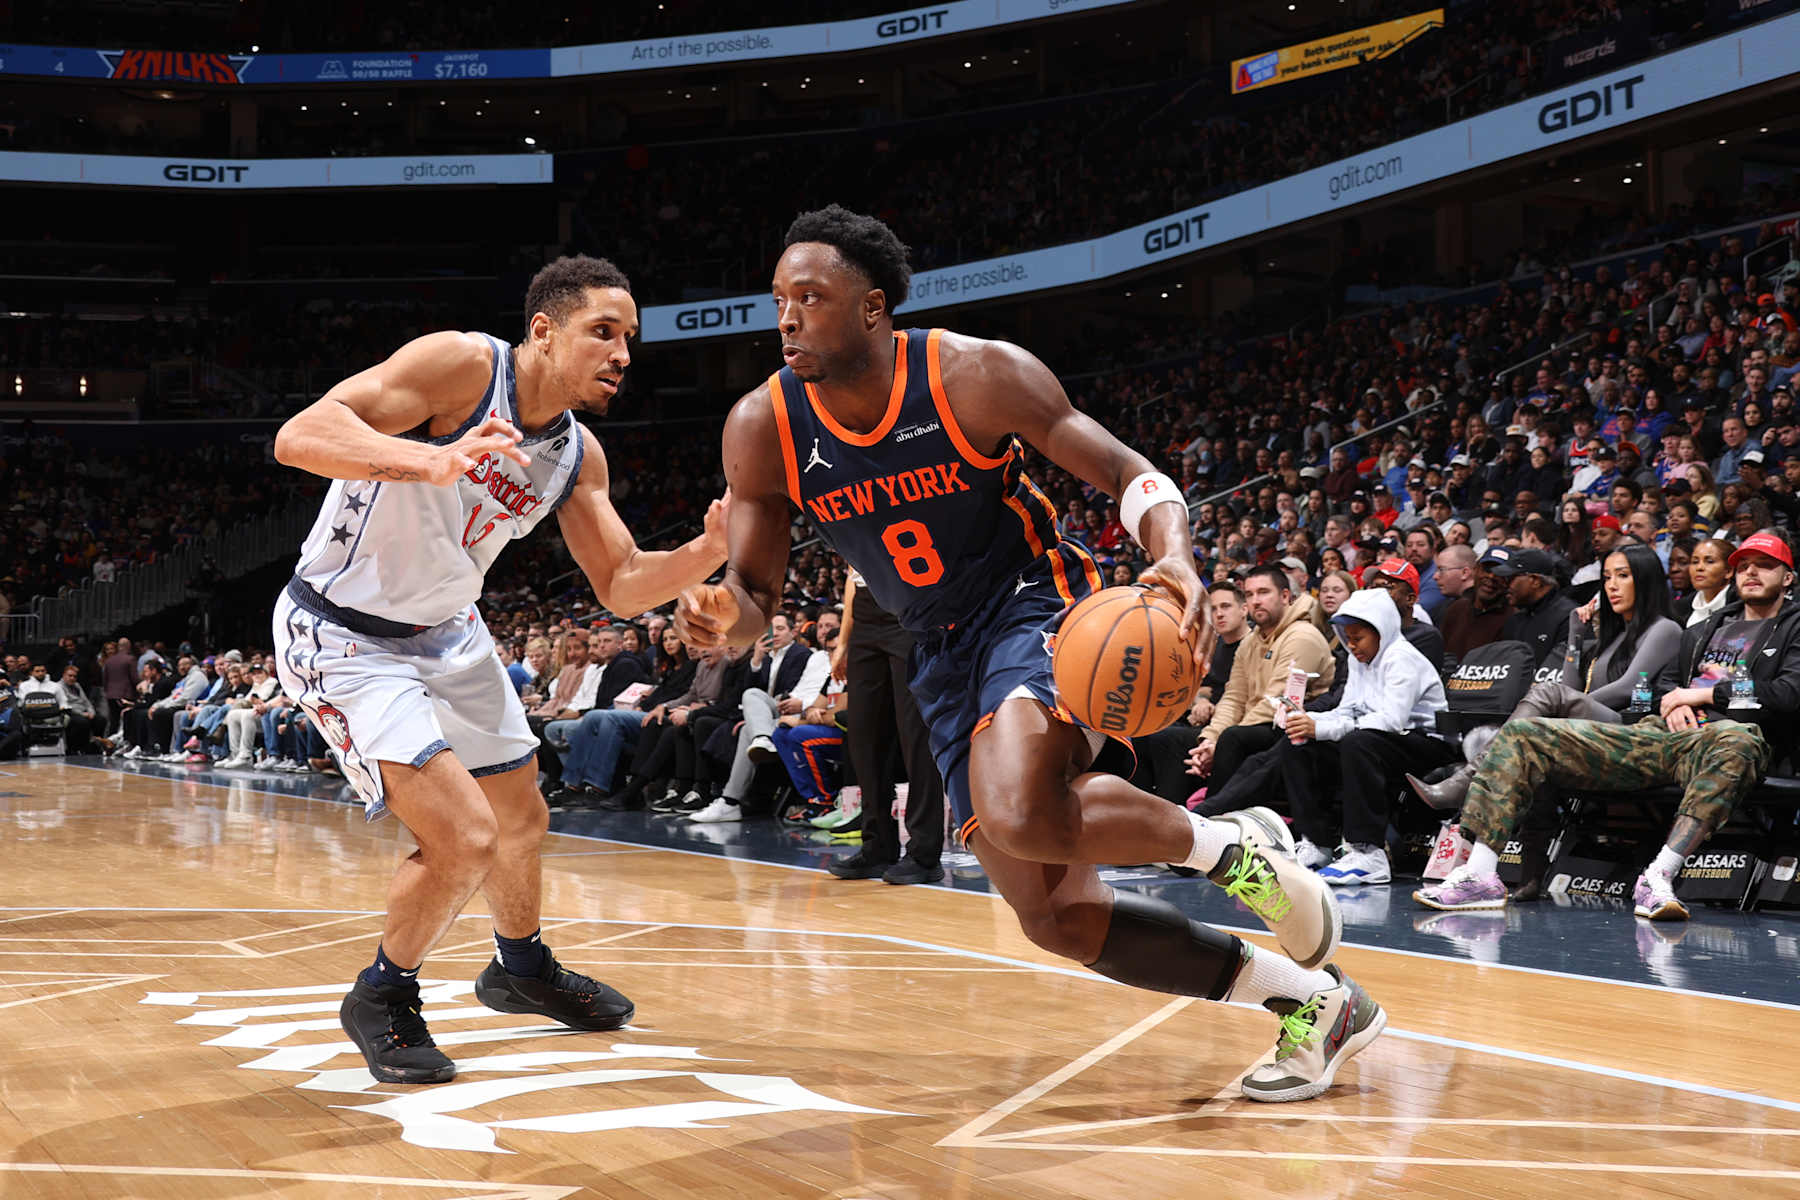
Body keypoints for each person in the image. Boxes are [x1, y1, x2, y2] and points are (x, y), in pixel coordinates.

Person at [676, 206, 1380, 1103]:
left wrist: (1173, 552)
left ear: (873, 308)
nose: (786, 316)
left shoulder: (973, 374)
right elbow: (754, 596)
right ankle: (1316, 1004)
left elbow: (1132, 474)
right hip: (935, 652)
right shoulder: (761, 426)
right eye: (779, 298)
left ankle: (1231, 845)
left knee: (1016, 808)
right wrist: (719, 620)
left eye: (809, 297)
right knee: (1057, 918)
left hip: (1030, 604)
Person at [270, 254, 730, 1085]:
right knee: (464, 838)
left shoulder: (574, 455)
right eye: (604, 332)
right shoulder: (459, 365)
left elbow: (622, 582)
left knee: (520, 818)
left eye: (630, 338)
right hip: (345, 633)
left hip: (448, 632)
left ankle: (519, 969)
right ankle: (383, 995)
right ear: (544, 331)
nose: (623, 353)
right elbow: (298, 436)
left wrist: (708, 552)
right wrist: (427, 460)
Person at [1415, 532, 1800, 919]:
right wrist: (1671, 703)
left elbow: (1787, 692)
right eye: (1743, 565)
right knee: (1523, 734)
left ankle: (1658, 876)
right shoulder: (1706, 628)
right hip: (1660, 735)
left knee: (1737, 738)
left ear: (1788, 578)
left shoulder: (1793, 626)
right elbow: (1662, 685)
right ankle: (1480, 873)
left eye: (1764, 565)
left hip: (1730, 740)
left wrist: (1702, 696)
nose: (1751, 571)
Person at [1408, 543, 1684, 809]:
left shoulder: (1665, 628)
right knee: (1529, 733)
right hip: (1590, 729)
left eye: (1623, 576)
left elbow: (1627, 687)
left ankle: (1467, 777)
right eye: (1608, 577)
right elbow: (1570, 687)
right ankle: (1485, 837)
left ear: (1646, 580)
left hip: (1629, 731)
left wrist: (1562, 704)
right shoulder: (1614, 635)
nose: (1611, 585)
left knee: (1549, 695)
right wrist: (1576, 634)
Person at [1276, 588, 1457, 884]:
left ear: (1381, 631)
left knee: (1358, 742)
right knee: (1298, 742)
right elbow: (1348, 710)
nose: (1351, 645)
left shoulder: (1402, 659)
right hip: (1382, 741)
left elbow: (1391, 721)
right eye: (1347, 637)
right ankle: (1318, 843)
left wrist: (1322, 728)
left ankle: (1368, 852)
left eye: (1358, 637)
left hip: (1428, 743)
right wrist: (1308, 720)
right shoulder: (1357, 660)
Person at [827, 570, 949, 885]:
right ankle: (877, 847)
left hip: (910, 600)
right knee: (864, 736)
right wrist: (843, 641)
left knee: (915, 736)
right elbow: (853, 575)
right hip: (866, 613)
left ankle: (924, 854)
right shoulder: (852, 522)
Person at [1188, 565, 1336, 801]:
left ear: (1285, 596)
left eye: (1263, 592)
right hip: (1252, 725)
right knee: (1165, 740)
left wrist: (1220, 744)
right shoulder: (1251, 641)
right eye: (1249, 594)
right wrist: (1209, 739)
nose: (1255, 601)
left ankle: (1212, 820)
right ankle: (1164, 817)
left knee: (1234, 739)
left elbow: (1277, 702)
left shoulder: (1302, 636)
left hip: (1291, 728)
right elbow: (1234, 696)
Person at [1683, 537, 1734, 628]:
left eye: (1709, 561)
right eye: (1695, 562)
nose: (1699, 567)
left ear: (1728, 571)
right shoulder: (1681, 608)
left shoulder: (1741, 607)